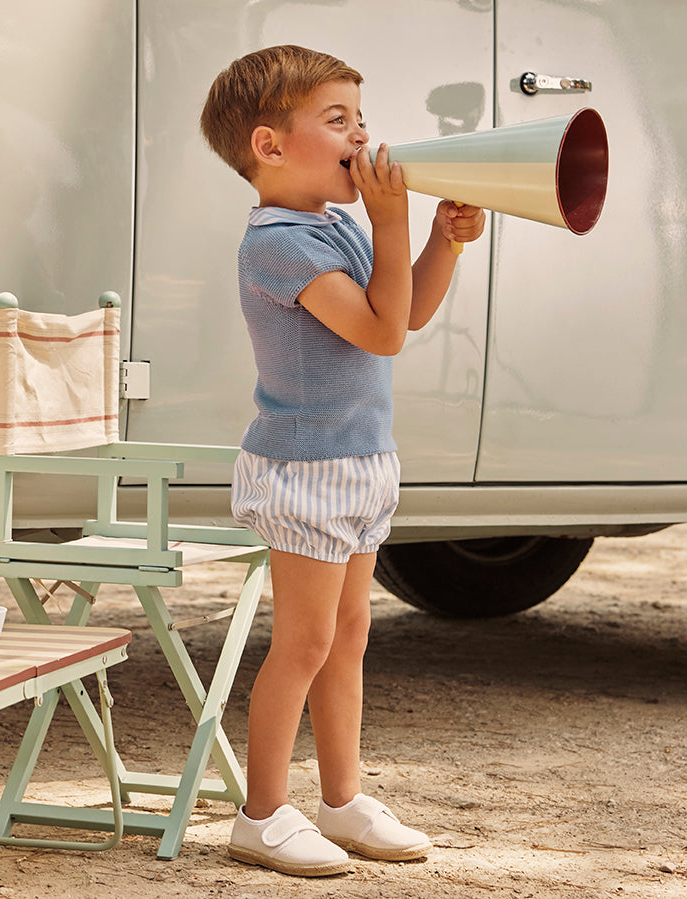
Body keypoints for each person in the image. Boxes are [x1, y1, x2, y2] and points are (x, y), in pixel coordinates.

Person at [199, 45, 486, 877]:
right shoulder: (278, 245)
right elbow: (380, 332)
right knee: (305, 640)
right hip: (303, 470)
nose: (362, 137)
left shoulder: (332, 224)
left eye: (360, 118)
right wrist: (393, 224)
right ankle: (260, 813)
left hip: (360, 459)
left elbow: (409, 310)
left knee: (350, 635)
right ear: (270, 145)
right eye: (338, 120)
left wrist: (438, 240)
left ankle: (340, 799)